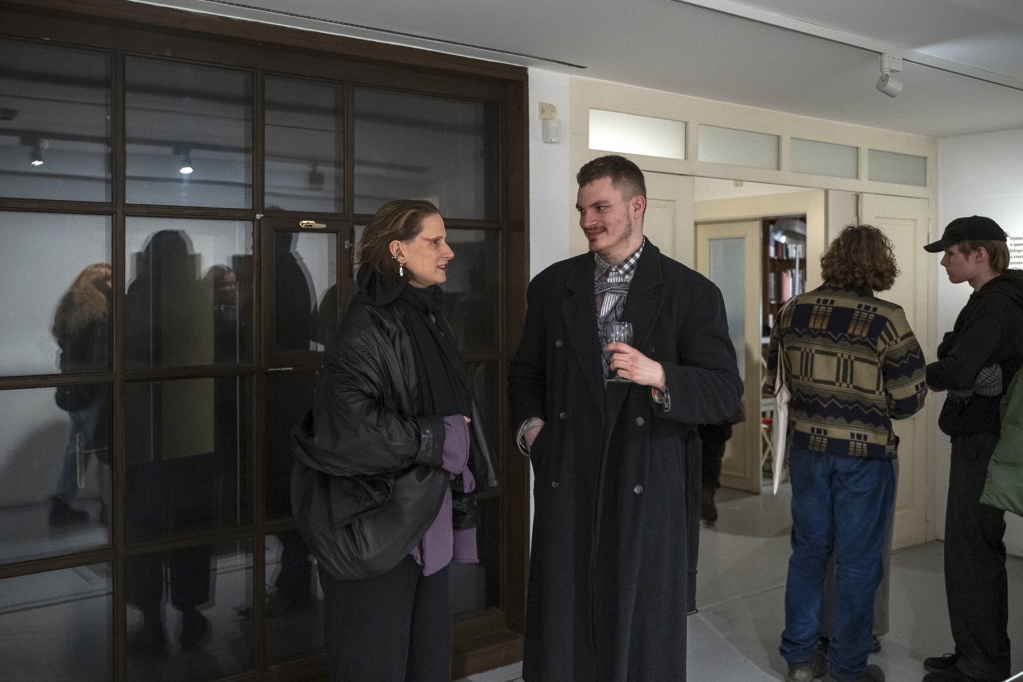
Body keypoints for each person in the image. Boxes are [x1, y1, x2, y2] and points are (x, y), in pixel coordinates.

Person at [507, 154, 743, 681]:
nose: (588, 220)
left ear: (637, 206)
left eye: (600, 208)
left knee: (640, 626)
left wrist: (659, 374)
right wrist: (535, 433)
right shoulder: (552, 286)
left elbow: (726, 392)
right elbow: (525, 373)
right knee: (565, 619)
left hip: (648, 476)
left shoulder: (691, 292)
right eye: (582, 210)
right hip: (569, 473)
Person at [291, 199, 500, 682]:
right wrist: (440, 436)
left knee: (426, 664)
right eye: (435, 240)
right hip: (376, 526)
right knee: (373, 666)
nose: (449, 251)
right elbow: (350, 427)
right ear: (398, 250)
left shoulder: (427, 315)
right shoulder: (367, 323)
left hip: (421, 519)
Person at [770, 225, 927, 682]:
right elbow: (908, 399)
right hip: (865, 456)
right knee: (858, 563)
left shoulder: (792, 310)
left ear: (833, 259)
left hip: (807, 451)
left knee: (808, 554)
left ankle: (800, 662)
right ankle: (848, 669)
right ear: (880, 264)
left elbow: (776, 380)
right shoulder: (886, 318)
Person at [920, 215, 1023, 682]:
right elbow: (960, 358)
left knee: (971, 550)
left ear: (980, 254)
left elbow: (957, 369)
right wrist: (958, 358)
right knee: (977, 547)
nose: (944, 262)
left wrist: (937, 369)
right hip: (990, 435)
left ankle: (980, 664)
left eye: (951, 253)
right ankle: (977, 655)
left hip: (984, 438)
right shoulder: (1000, 300)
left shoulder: (995, 306)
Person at [50, 262, 112, 526]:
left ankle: (61, 504)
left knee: (76, 451)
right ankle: (109, 508)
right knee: (106, 451)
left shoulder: (70, 307)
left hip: (72, 391)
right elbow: (101, 357)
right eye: (110, 279)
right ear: (101, 282)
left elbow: (64, 349)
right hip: (93, 392)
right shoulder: (102, 310)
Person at [698, 404, 743, 523]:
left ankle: (706, 493)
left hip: (713, 411)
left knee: (711, 452)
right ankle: (706, 492)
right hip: (716, 410)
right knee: (712, 453)